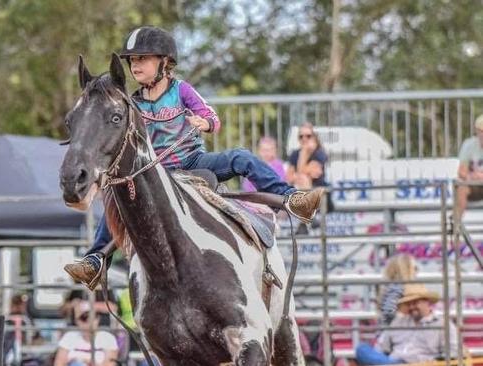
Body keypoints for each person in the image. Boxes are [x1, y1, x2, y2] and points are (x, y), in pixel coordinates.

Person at [65, 26, 324, 288]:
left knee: (241, 157)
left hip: (192, 162)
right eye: (132, 60)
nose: (135, 65)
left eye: (142, 58)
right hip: (157, 174)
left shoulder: (182, 90)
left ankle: (291, 198)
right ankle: (96, 259)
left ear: (164, 62)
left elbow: (213, 118)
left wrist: (205, 123)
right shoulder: (132, 104)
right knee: (116, 196)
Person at [355, 284, 459, 365]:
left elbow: (452, 354)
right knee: (362, 349)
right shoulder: (398, 321)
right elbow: (381, 348)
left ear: (427, 302)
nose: (411, 307)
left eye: (415, 303)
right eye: (408, 304)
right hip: (391, 361)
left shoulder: (443, 324)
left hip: (419, 364)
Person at [53, 300, 119, 366]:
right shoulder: (69, 337)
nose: (88, 322)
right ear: (76, 321)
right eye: (83, 318)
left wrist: (89, 362)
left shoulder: (108, 338)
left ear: (98, 319)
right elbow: (59, 362)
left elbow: (110, 363)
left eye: (92, 317)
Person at [454, 114, 483, 224]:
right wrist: (472, 177)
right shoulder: (469, 144)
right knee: (461, 188)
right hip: (473, 186)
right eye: (481, 131)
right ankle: (454, 229)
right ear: (476, 131)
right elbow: (461, 171)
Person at [379, 254, 417, 325]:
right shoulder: (398, 288)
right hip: (399, 331)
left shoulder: (391, 287)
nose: (416, 272)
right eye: (414, 268)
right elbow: (388, 313)